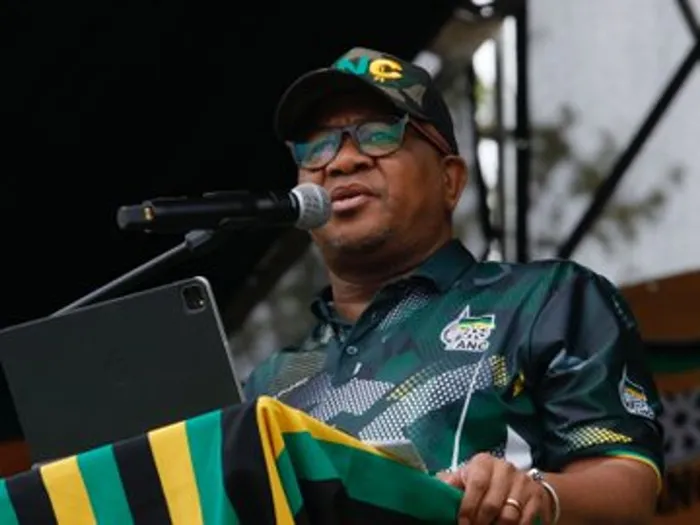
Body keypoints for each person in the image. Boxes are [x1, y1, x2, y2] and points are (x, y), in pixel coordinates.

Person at [243, 47, 664, 525]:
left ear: (450, 180)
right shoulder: (268, 384)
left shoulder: (544, 300)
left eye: (378, 134)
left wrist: (537, 495)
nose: (342, 162)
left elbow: (627, 487)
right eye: (317, 146)